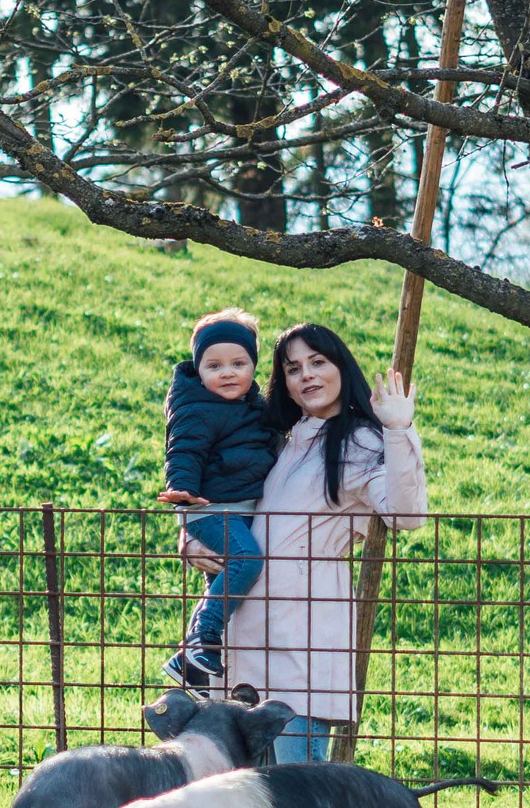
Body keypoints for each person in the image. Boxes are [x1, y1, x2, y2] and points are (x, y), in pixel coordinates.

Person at [182, 322, 426, 762]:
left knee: (296, 803)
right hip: (242, 649)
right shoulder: (281, 440)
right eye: (293, 369)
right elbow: (226, 500)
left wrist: (398, 429)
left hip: (301, 648)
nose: (307, 375)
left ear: (341, 368)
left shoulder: (359, 442)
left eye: (318, 362)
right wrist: (190, 539)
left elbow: (406, 514)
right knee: (240, 804)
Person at [158, 307, 279, 689]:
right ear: (199, 370)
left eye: (238, 363)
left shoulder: (253, 407)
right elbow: (184, 451)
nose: (227, 372)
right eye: (214, 366)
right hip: (206, 509)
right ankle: (203, 638)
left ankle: (189, 663)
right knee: (247, 559)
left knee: (223, 582)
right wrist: (183, 490)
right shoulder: (197, 408)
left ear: (253, 367)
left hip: (236, 509)